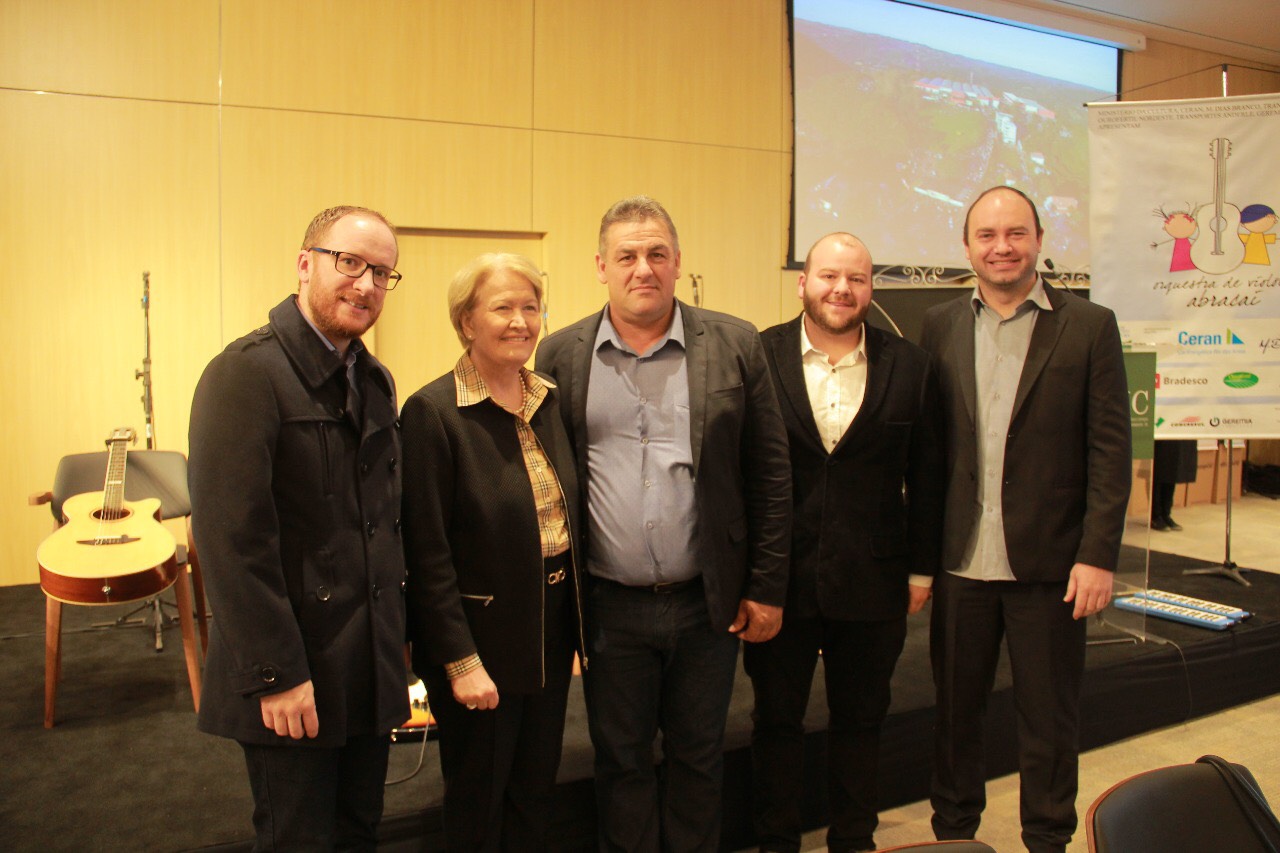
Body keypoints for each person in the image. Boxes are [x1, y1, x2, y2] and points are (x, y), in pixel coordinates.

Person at [535, 195, 792, 852]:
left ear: (678, 262)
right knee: (620, 762)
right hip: (608, 607)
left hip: (708, 604)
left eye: (656, 254)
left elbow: (769, 472)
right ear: (600, 266)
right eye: (627, 255)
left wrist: (766, 585)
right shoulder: (561, 355)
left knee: (699, 757)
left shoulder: (734, 343)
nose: (642, 268)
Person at [188, 205, 410, 849]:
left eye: (383, 274)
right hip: (294, 668)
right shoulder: (244, 374)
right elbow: (232, 542)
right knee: (299, 838)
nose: (366, 285)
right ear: (305, 262)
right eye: (350, 263)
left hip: (365, 662)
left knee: (359, 830)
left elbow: (379, 524)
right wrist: (275, 673)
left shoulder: (372, 378)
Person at [919, 186, 1131, 853]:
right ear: (967, 246)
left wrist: (1097, 553)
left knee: (1049, 721)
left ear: (1039, 238)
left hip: (1052, 565)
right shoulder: (939, 324)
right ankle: (954, 837)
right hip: (962, 564)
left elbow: (1110, 448)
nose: (1001, 246)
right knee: (955, 719)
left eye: (1015, 233)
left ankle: (1048, 838)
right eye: (986, 235)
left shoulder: (1091, 326)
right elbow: (929, 453)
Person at [745, 232, 944, 853]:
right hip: (779, 580)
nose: (842, 289)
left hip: (875, 580)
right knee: (776, 721)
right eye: (828, 276)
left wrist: (922, 570)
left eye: (856, 279)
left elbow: (929, 474)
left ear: (871, 289)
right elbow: (737, 470)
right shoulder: (756, 355)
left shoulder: (909, 365)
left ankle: (854, 839)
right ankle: (777, 840)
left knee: (862, 721)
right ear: (802, 282)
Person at [400, 253, 585, 850]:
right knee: (479, 801)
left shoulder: (549, 400)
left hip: (549, 635)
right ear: (465, 322)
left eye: (530, 307)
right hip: (479, 641)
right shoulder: (434, 413)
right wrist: (459, 660)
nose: (520, 321)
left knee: (535, 792)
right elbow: (426, 552)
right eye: (502, 307)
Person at [1151, 439, 1197, 531]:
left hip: (1174, 437)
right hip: (1160, 439)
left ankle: (1166, 514)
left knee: (1172, 473)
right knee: (1159, 473)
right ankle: (1156, 516)